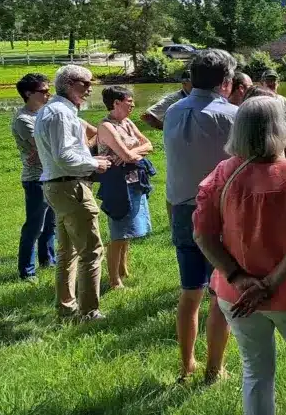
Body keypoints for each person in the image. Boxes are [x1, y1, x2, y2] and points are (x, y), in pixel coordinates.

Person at [193, 97, 286, 415]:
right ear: (280, 129)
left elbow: (203, 235)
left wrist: (241, 279)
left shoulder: (222, 173)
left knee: (255, 370)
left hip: (236, 294)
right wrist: (269, 283)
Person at [164, 49, 238, 384]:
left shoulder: (173, 111)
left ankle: (186, 365)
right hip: (219, 212)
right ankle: (214, 369)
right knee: (220, 294)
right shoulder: (233, 115)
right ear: (226, 81)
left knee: (189, 290)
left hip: (181, 208)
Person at [34, 65, 113, 321]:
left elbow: (65, 152)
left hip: (59, 185)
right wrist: (95, 164)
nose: (91, 88)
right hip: (70, 186)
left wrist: (88, 158)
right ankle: (89, 312)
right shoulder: (59, 113)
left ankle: (66, 307)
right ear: (70, 84)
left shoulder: (55, 110)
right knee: (91, 251)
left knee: (67, 251)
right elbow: (64, 156)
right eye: (86, 83)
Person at [96, 86, 155, 290]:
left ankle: (123, 269)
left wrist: (134, 152)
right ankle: (114, 280)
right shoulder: (106, 126)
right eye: (129, 101)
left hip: (134, 181)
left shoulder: (127, 123)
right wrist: (134, 153)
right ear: (116, 103)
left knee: (128, 232)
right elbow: (126, 156)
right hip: (117, 184)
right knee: (119, 232)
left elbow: (149, 144)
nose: (132, 105)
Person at [12, 73, 56, 282]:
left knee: (50, 224)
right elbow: (44, 146)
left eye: (49, 90)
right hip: (35, 179)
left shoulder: (43, 114)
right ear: (28, 93)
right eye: (44, 91)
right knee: (35, 226)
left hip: (51, 174)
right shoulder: (23, 119)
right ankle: (27, 271)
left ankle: (49, 261)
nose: (49, 94)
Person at [141, 69, 192, 226]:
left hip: (196, 144)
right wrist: (168, 129)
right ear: (184, 83)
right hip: (179, 147)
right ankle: (175, 223)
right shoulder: (174, 99)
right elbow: (147, 115)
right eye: (192, 82)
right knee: (177, 184)